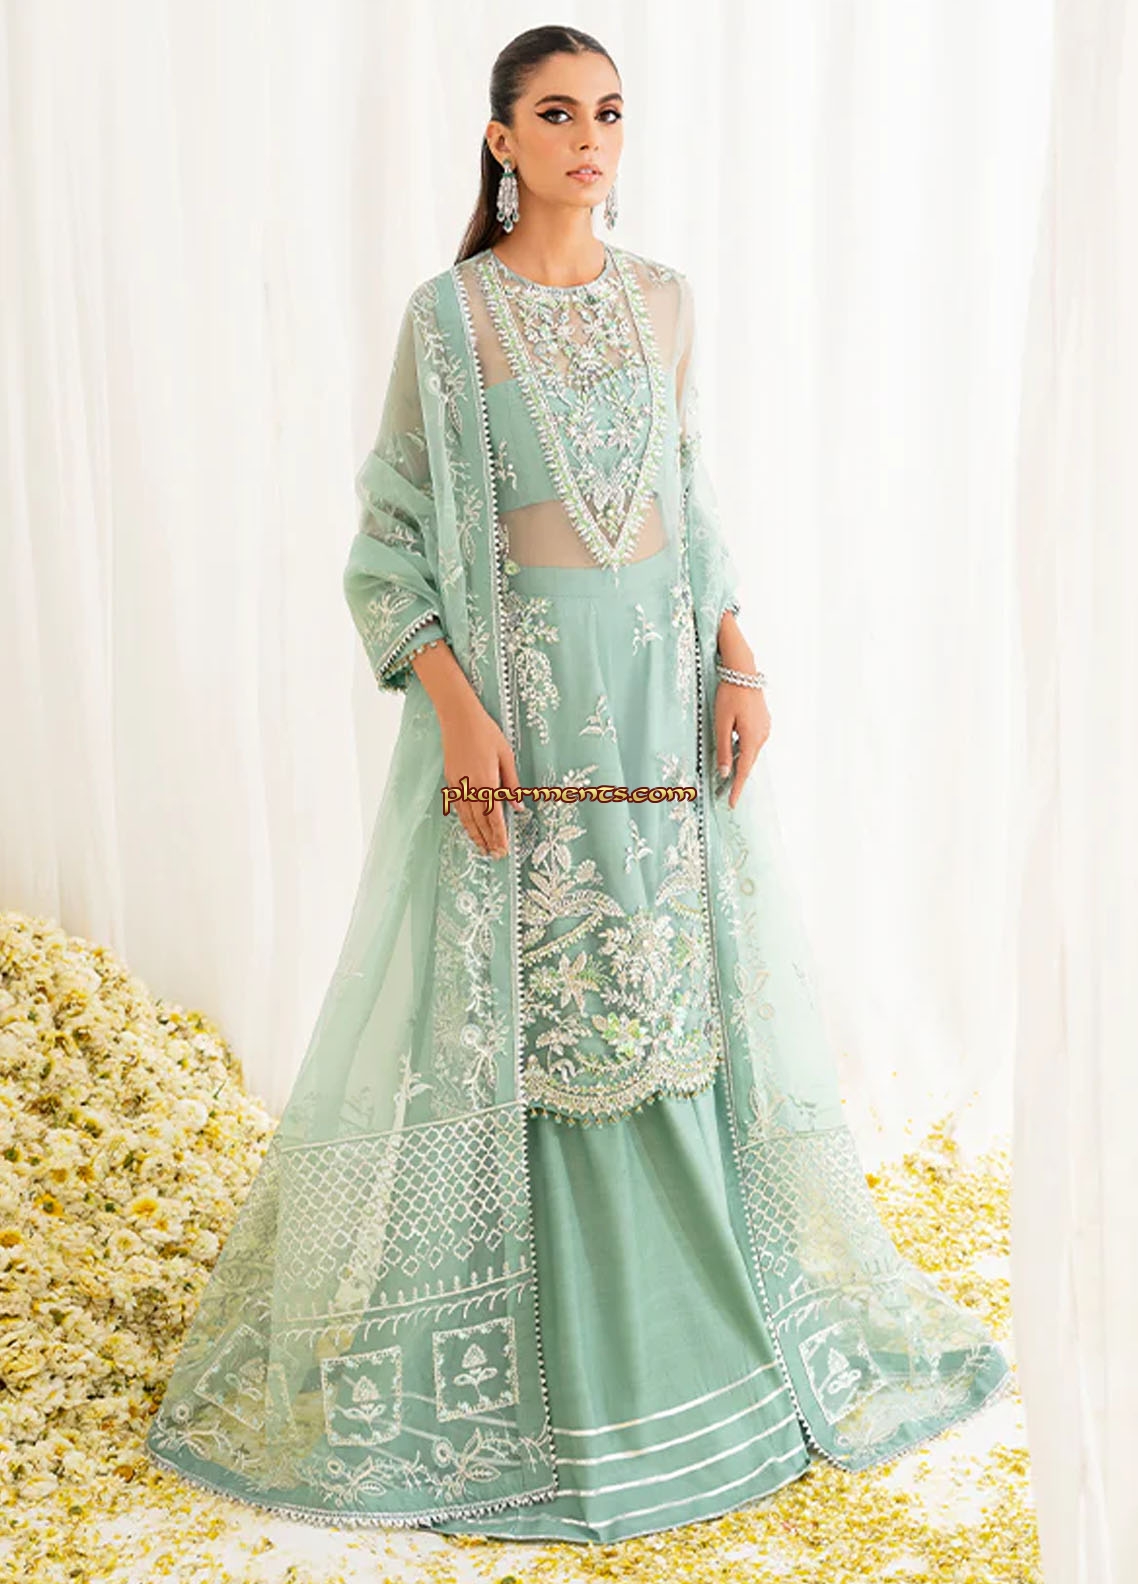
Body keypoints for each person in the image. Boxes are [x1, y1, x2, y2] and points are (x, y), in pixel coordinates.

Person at [144, 24, 1011, 1546]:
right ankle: (559, 1373)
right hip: (527, 708)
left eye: (608, 113)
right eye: (555, 114)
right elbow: (389, 539)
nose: (588, 139)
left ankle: (711, 1348)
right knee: (547, 1001)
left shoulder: (664, 301)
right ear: (500, 139)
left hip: (660, 700)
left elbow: (688, 494)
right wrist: (459, 715)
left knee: (668, 990)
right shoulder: (450, 317)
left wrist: (738, 661)